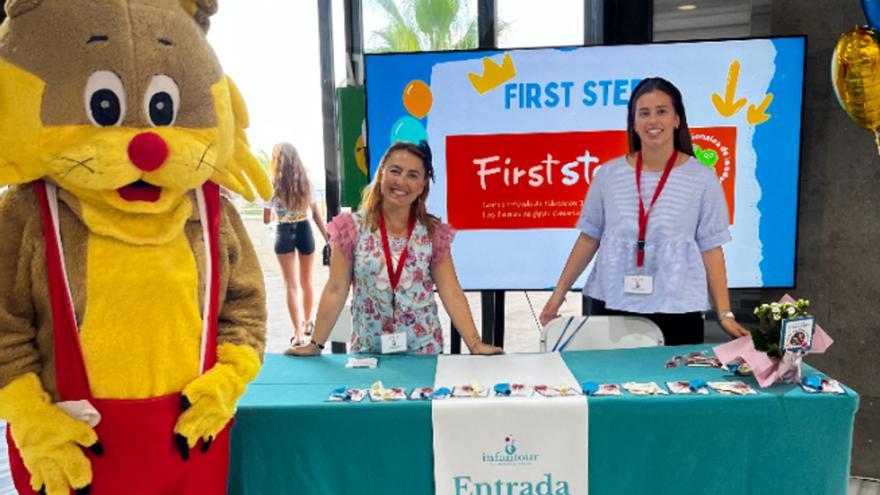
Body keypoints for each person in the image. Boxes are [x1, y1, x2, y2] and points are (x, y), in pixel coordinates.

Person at [540, 77, 749, 345]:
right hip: (613, 300)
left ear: (677, 119)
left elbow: (711, 249)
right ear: (634, 123)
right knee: (612, 384)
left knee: (675, 384)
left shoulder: (702, 178)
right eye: (644, 113)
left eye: (662, 111)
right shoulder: (608, 175)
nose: (653, 121)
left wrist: (725, 313)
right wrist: (558, 295)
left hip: (678, 307)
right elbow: (589, 237)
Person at [292, 141, 502, 356]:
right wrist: (315, 344)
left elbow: (451, 291)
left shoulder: (433, 233)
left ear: (423, 185)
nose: (401, 181)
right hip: (369, 352)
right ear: (381, 173)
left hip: (423, 352)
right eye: (395, 171)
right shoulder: (350, 228)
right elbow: (336, 289)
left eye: (412, 175)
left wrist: (475, 344)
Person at [263, 143, 329, 348]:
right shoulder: (305, 182)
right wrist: (328, 239)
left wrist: (278, 212)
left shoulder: (272, 184)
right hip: (304, 230)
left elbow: (266, 219)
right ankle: (308, 323)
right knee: (306, 281)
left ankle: (298, 335)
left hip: (283, 233)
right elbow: (317, 215)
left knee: (290, 285)